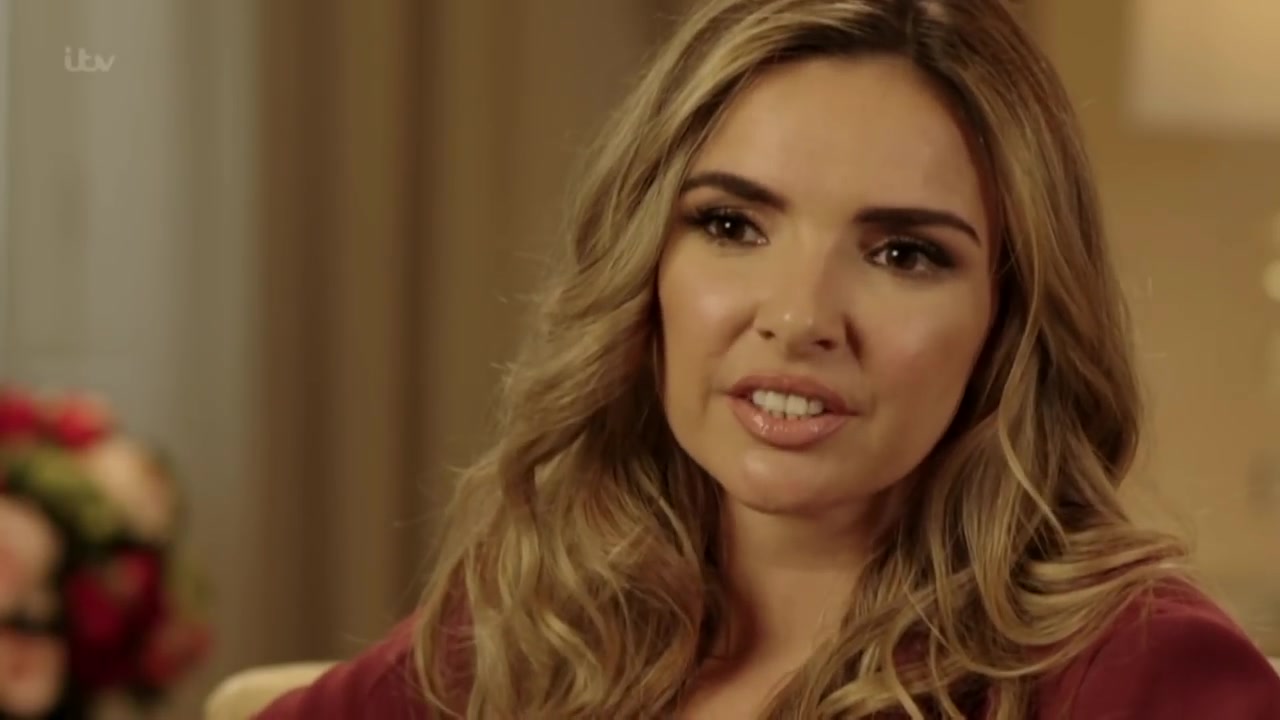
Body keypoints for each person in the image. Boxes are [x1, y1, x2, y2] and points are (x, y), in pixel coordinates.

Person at [258, 0, 1280, 717]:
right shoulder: (537, 628)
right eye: (732, 225)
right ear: (646, 262)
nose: (798, 318)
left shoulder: (1137, 673)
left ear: (1009, 321)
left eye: (902, 253)